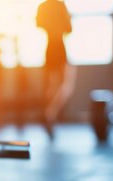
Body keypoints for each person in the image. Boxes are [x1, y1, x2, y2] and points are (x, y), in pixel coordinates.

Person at [36, 0, 75, 139]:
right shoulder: (60, 5)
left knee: (52, 87)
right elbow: (69, 28)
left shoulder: (43, 6)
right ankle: (49, 114)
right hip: (59, 47)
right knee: (66, 85)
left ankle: (49, 115)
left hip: (49, 48)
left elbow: (39, 24)